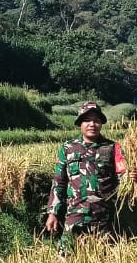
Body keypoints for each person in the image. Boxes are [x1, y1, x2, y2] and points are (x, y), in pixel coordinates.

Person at [44, 102, 127, 253]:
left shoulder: (113, 148)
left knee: (104, 261)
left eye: (96, 120)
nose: (92, 124)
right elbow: (58, 182)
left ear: (101, 123)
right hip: (75, 215)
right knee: (66, 259)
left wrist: (132, 176)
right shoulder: (68, 148)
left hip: (103, 217)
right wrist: (53, 212)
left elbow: (124, 177)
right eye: (87, 120)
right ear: (80, 124)